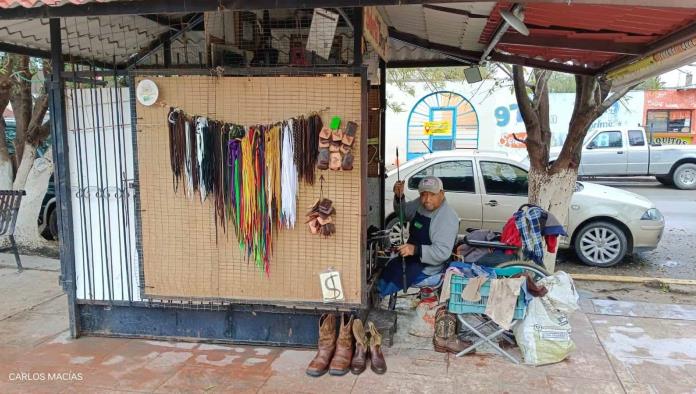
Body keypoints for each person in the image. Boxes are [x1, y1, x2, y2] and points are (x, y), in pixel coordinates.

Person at [378, 176, 460, 298]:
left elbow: (442, 252)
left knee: (396, 275)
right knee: (387, 267)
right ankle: (377, 293)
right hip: (411, 259)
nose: (427, 199)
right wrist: (399, 197)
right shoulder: (421, 203)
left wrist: (415, 249)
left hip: (428, 267)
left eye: (432, 194)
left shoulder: (447, 217)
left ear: (442, 194)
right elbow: (403, 214)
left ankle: (378, 295)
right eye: (423, 194)